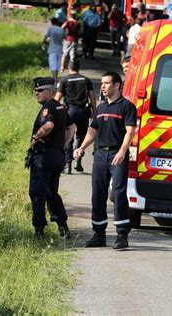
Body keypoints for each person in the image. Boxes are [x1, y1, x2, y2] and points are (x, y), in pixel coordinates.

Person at [73, 71, 137, 249]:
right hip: (100, 155)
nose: (102, 86)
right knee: (98, 194)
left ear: (117, 85)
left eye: (106, 83)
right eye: (101, 83)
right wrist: (81, 148)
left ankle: (122, 235)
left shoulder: (126, 106)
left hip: (117, 154)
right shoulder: (101, 108)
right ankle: (99, 234)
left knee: (118, 193)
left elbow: (130, 131)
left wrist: (123, 151)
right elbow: (93, 131)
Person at [29, 77, 76, 238]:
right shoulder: (60, 107)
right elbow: (72, 127)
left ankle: (39, 230)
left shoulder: (48, 108)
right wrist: (64, 144)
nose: (36, 93)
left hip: (44, 156)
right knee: (51, 192)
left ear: (50, 91)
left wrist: (35, 138)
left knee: (37, 192)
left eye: (40, 90)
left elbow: (48, 125)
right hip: (57, 155)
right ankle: (63, 226)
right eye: (36, 91)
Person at [55, 59, 96, 174]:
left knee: (69, 136)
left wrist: (52, 111)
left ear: (69, 67)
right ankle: (78, 162)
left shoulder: (64, 80)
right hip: (83, 112)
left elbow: (57, 98)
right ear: (78, 67)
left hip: (69, 112)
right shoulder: (86, 80)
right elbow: (92, 98)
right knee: (81, 137)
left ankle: (67, 165)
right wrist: (94, 112)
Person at [43, 18, 65, 82]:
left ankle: (54, 79)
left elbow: (45, 37)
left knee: (53, 65)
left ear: (52, 22)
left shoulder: (50, 28)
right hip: (60, 49)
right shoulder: (61, 29)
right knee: (57, 65)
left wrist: (45, 42)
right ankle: (55, 78)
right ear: (58, 22)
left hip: (52, 50)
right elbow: (65, 37)